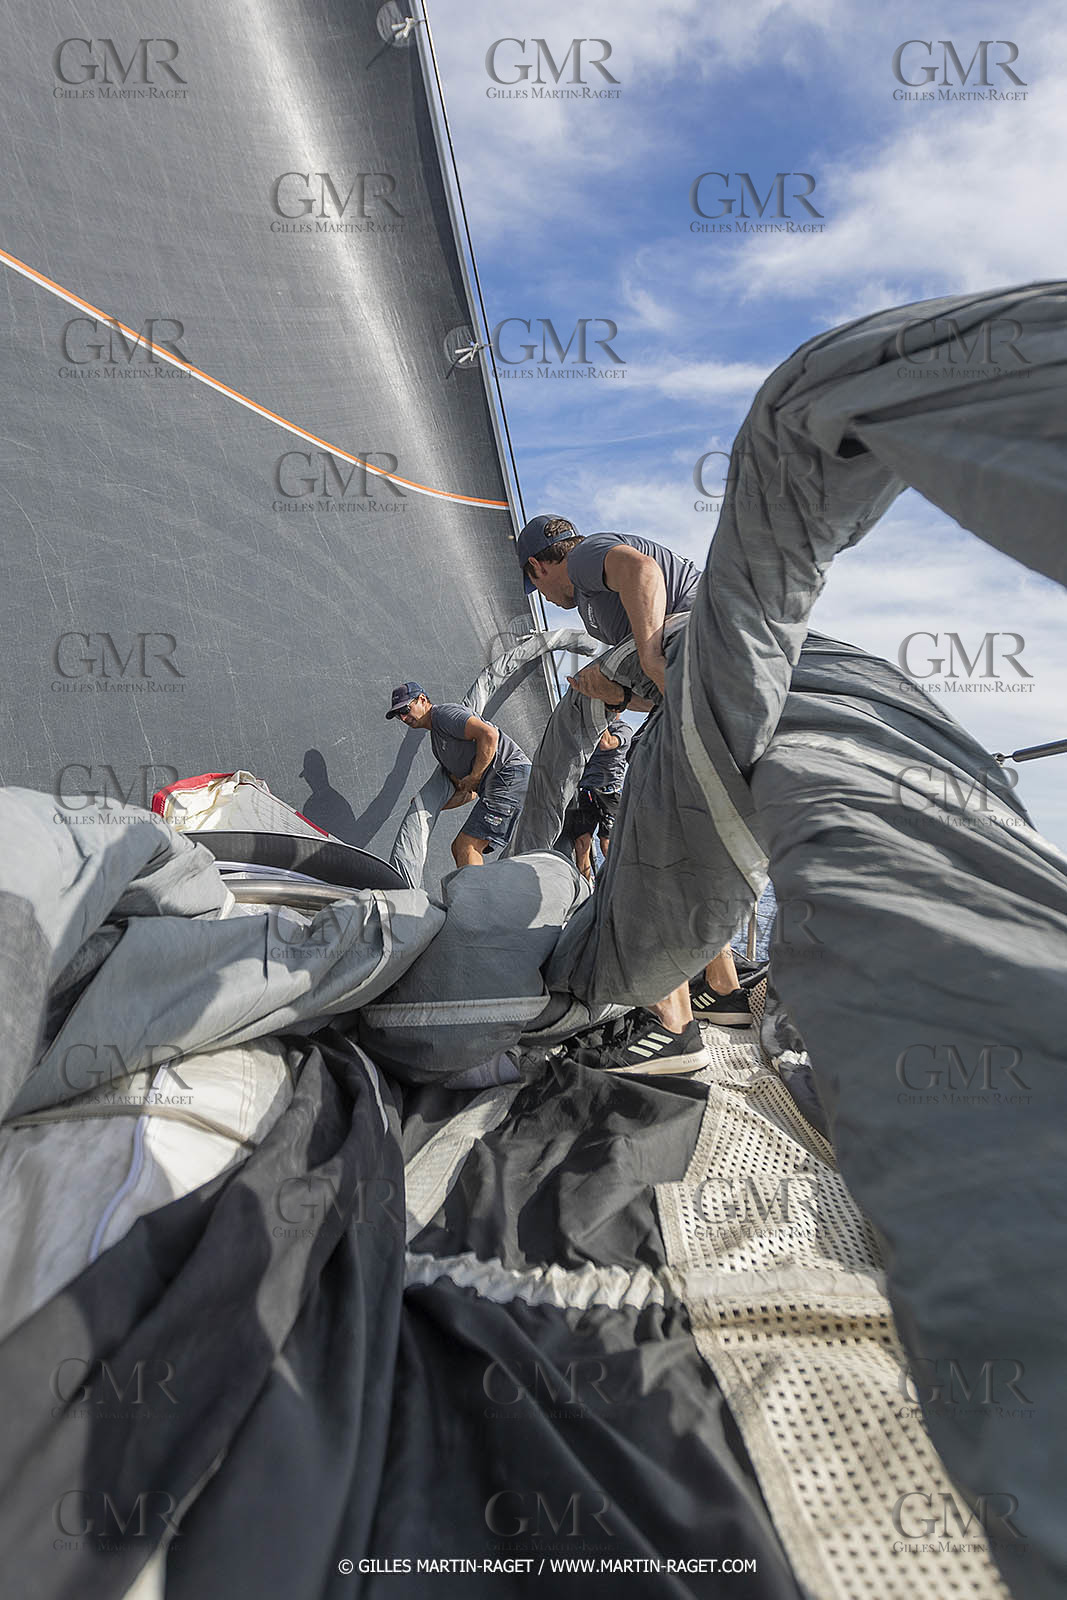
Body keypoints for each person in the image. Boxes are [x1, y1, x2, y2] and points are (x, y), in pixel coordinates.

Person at [517, 515, 749, 1070]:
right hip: (698, 676)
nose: (547, 598)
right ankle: (722, 990)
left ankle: (671, 1022)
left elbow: (641, 571)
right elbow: (648, 688)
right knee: (685, 833)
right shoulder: (603, 614)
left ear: (540, 565)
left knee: (586, 748)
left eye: (538, 588)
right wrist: (623, 686)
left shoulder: (586, 557)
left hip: (692, 639)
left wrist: (642, 657)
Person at [386, 682, 531, 868]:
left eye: (406, 709)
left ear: (422, 699)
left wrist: (475, 776)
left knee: (467, 846)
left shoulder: (444, 715)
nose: (404, 717)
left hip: (510, 775)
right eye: (399, 715)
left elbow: (489, 735)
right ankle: (476, 892)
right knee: (458, 847)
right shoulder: (438, 747)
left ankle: (475, 897)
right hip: (499, 785)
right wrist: (431, 807)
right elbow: (468, 792)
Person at [560, 718, 631, 881]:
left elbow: (607, 744)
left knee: (607, 845)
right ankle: (586, 885)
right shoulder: (586, 730)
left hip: (609, 795)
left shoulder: (623, 729)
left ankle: (618, 884)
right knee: (582, 843)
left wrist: (597, 719)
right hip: (586, 791)